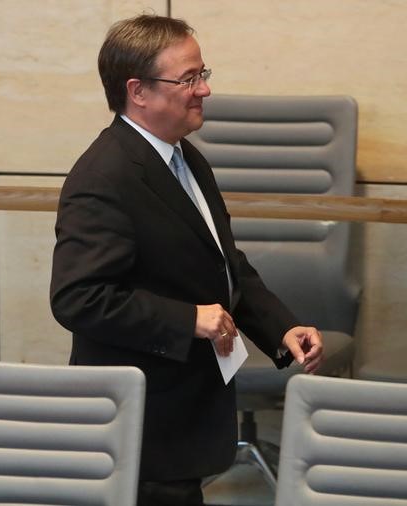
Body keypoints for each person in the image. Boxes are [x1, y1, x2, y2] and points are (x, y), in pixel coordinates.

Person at [49, 13, 324, 506]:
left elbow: (224, 263)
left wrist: (281, 328)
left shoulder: (185, 156)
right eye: (189, 78)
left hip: (185, 411)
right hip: (142, 422)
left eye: (203, 74)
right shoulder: (104, 176)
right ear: (139, 91)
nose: (204, 90)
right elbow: (78, 298)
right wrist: (187, 319)